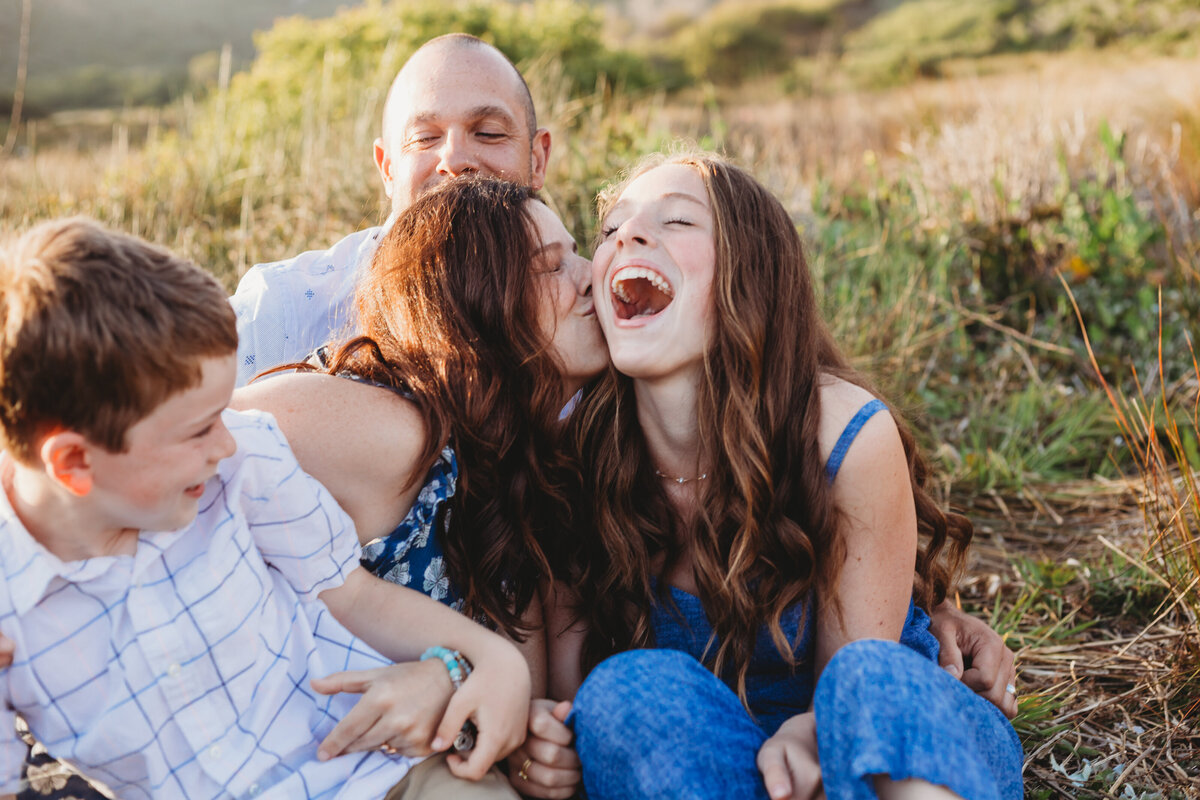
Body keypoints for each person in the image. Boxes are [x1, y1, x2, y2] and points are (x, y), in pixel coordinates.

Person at [535, 153, 1024, 800]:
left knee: (868, 677)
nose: (628, 235)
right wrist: (551, 747)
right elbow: (573, 704)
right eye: (610, 230)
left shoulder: (841, 435)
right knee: (622, 692)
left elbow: (854, 685)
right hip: (715, 762)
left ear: (754, 274)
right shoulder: (578, 454)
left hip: (896, 746)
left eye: (678, 219)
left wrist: (815, 727)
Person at [0, 218, 530, 799]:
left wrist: (490, 657)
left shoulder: (243, 462)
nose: (224, 443)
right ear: (75, 464)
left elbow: (354, 595)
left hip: (375, 773)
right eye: (199, 430)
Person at [231, 176, 605, 796]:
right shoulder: (392, 431)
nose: (590, 273)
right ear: (474, 303)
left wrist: (523, 731)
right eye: (550, 266)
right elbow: (169, 439)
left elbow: (521, 688)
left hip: (384, 764)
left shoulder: (524, 474)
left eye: (576, 252)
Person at [230, 33, 550, 387]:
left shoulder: (587, 316)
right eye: (424, 138)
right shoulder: (276, 310)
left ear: (538, 159)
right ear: (387, 167)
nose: (455, 160)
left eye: (489, 133)